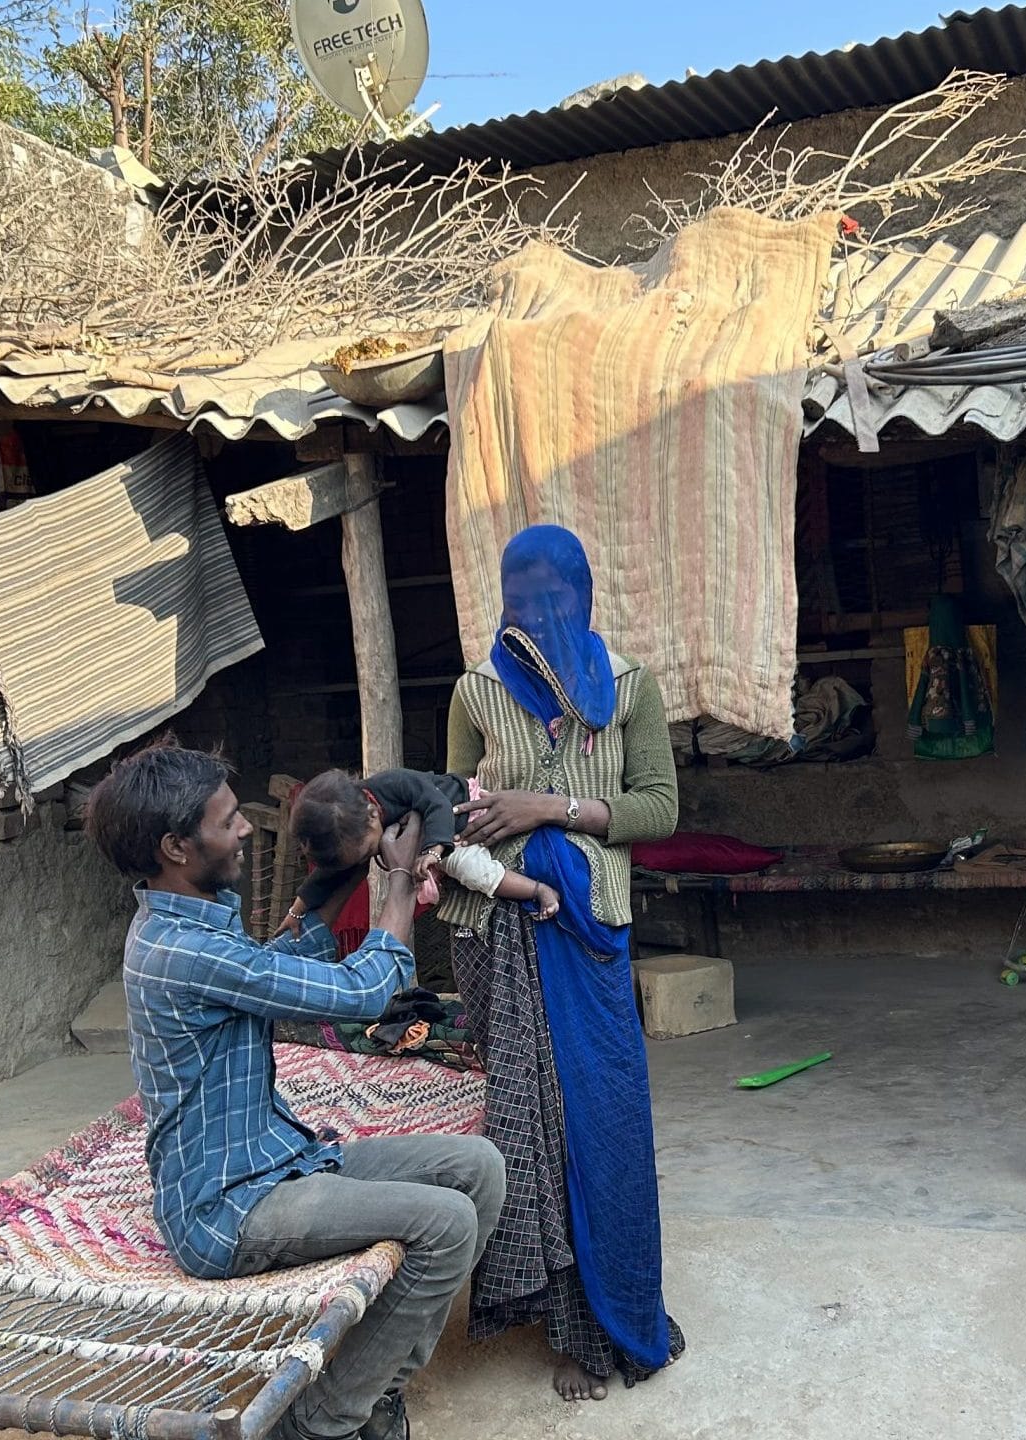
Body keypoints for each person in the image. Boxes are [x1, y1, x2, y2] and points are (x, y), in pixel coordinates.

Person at [84, 744, 506, 1440]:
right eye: (227, 820)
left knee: (479, 1167)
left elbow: (265, 970)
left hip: (280, 1162)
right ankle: (318, 1423)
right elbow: (364, 992)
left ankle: (374, 1391)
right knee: (447, 1223)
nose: (245, 829)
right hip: (229, 1207)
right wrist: (400, 880)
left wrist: (347, 867)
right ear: (176, 848)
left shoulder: (189, 926)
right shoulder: (182, 950)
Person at [435, 524, 685, 1402]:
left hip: (589, 929)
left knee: (603, 1121)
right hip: (498, 929)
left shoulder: (627, 687)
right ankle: (568, 1327)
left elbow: (659, 808)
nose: (538, 613)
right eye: (523, 597)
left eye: (556, 596)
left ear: (584, 596)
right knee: (532, 1133)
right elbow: (450, 812)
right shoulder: (474, 692)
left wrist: (551, 807)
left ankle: (622, 1312)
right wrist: (479, 839)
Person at [286, 766, 562, 925]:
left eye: (366, 853)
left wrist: (433, 851)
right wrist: (296, 911)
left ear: (372, 815)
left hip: (457, 817)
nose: (362, 864)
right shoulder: (353, 829)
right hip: (428, 837)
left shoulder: (394, 782)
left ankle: (538, 890)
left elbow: (436, 804)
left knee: (472, 870)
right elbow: (328, 874)